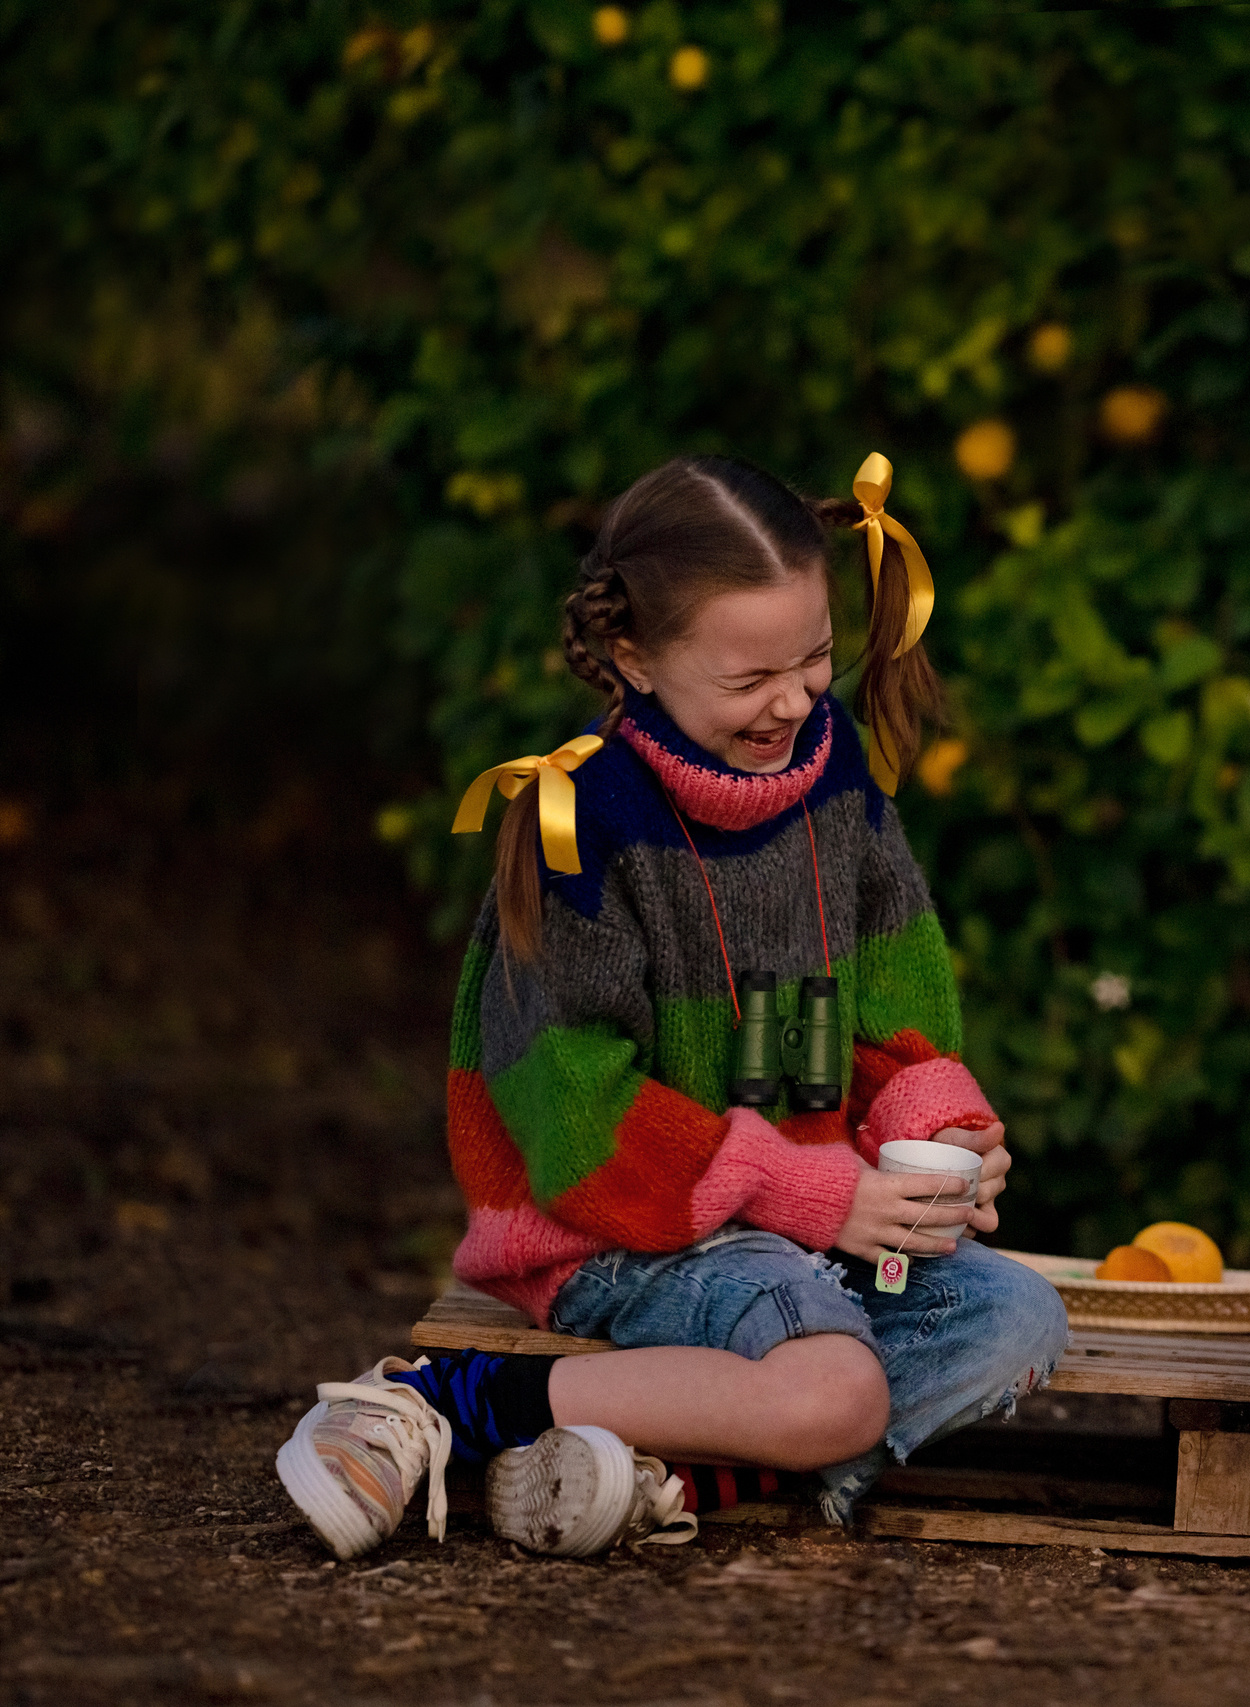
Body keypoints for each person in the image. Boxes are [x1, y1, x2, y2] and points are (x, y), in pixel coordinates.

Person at [274, 453, 1069, 1561]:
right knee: (837, 1389)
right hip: (616, 1225)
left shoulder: (839, 786)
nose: (793, 700)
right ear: (632, 658)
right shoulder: (578, 828)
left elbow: (900, 1021)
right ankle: (455, 1404)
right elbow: (575, 1117)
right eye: (749, 680)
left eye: (817, 660)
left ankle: (665, 1472)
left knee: (1018, 1317)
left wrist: (936, 1132)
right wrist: (806, 1190)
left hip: (805, 1229)